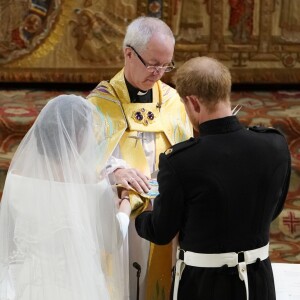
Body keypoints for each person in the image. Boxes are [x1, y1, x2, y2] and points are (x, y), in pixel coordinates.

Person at [135, 56, 291, 300]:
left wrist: (139, 215)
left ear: (193, 103)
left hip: (203, 285)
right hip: (259, 282)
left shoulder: (181, 161)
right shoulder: (275, 144)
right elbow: (274, 209)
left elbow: (161, 231)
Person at [87, 16, 192, 299]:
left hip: (164, 207)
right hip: (117, 206)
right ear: (128, 54)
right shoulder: (100, 103)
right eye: (153, 63)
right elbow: (83, 159)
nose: (159, 72)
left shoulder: (172, 101)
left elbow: (187, 151)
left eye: (166, 65)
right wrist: (114, 171)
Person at [0, 95, 131, 300]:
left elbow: (7, 239)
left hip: (28, 286)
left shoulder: (15, 180)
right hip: (78, 288)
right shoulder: (93, 185)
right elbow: (112, 241)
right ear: (79, 135)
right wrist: (125, 205)